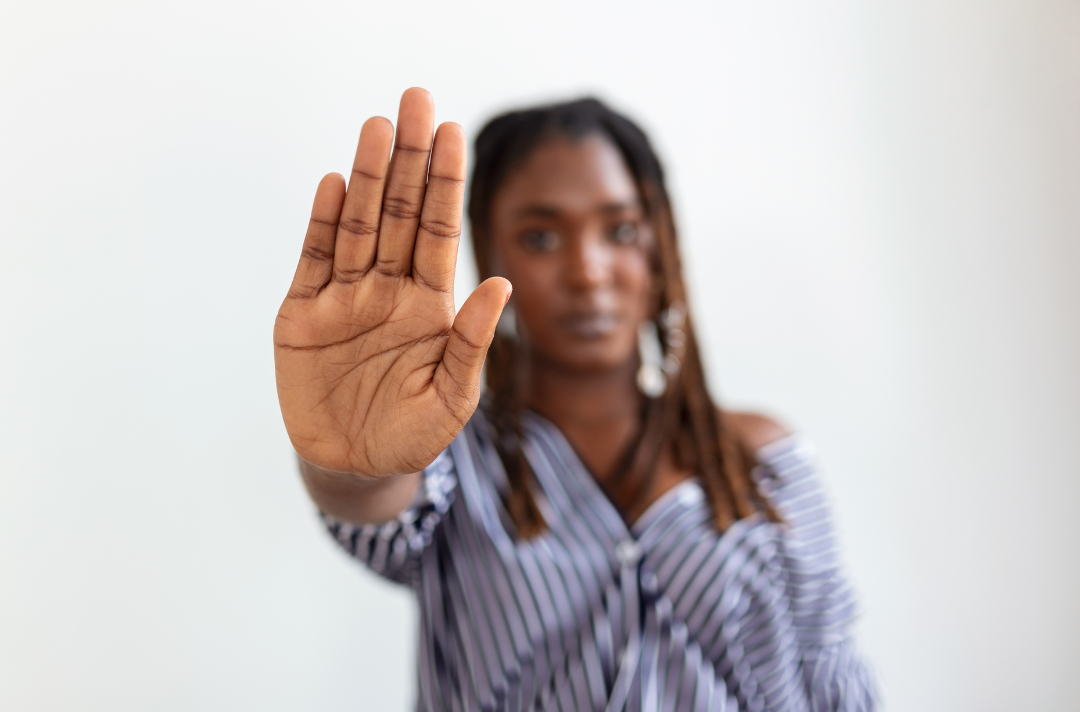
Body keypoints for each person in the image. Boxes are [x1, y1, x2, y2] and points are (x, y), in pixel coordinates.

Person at [273, 87, 876, 711]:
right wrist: (349, 462)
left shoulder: (761, 461)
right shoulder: (453, 457)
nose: (588, 270)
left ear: (660, 247)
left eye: (620, 230)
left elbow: (831, 675)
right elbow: (373, 497)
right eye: (540, 238)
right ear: (491, 251)